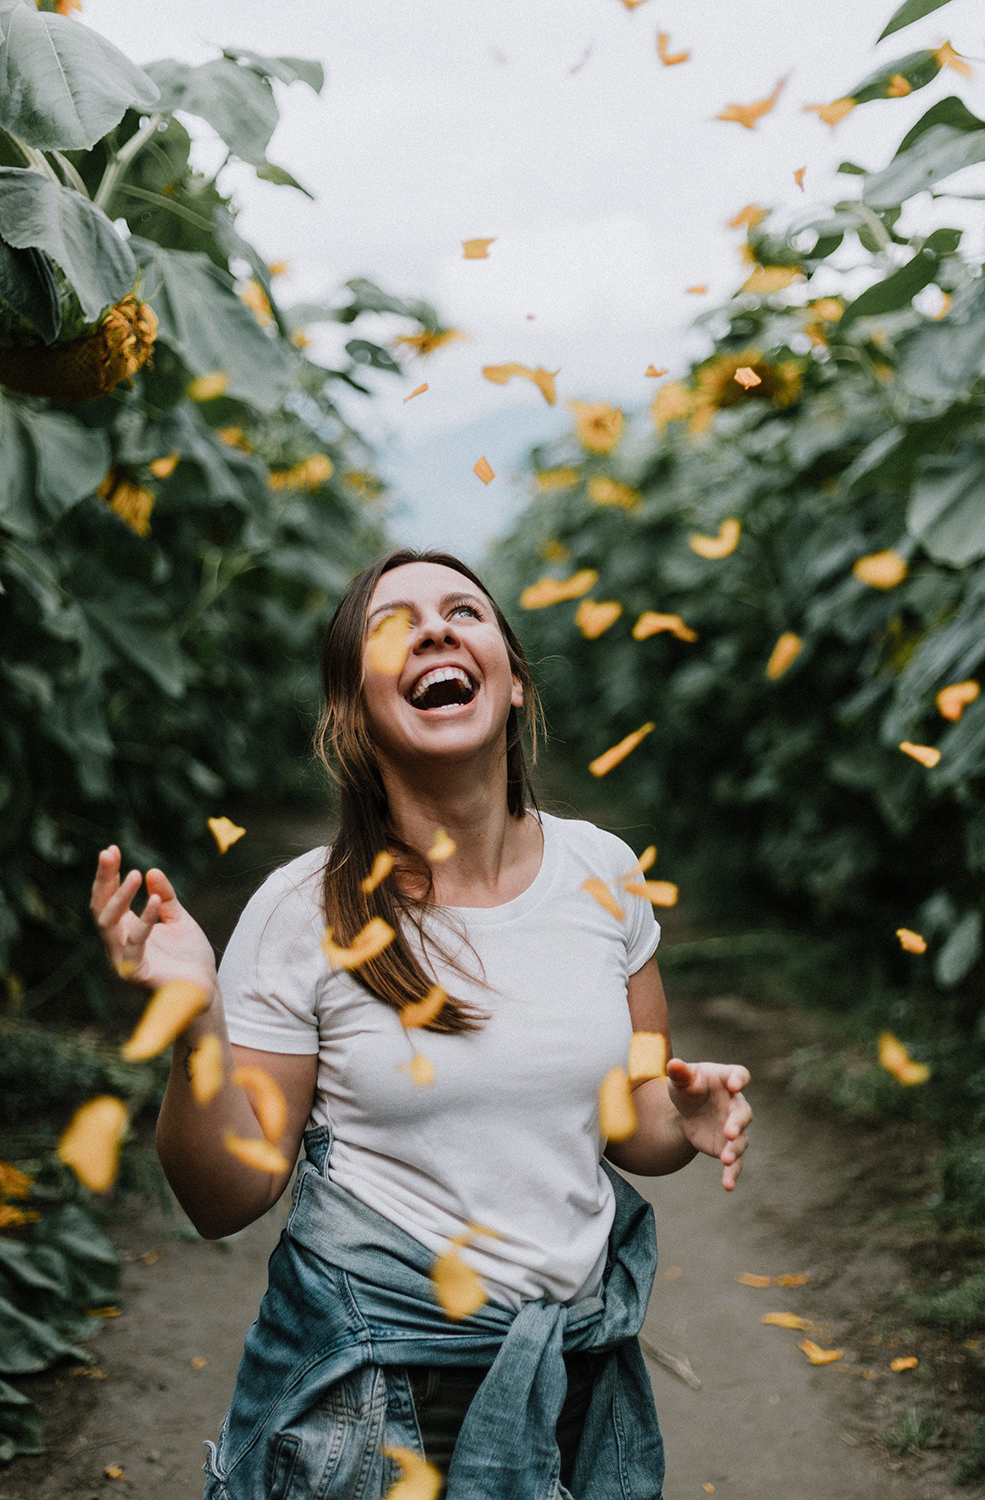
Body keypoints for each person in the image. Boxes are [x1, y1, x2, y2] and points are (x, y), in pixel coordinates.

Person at [91, 548, 752, 1500]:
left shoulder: (604, 871)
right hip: (371, 1400)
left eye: (464, 611)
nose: (437, 628)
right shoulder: (302, 910)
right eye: (394, 624)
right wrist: (196, 1029)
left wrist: (680, 1122)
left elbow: (632, 1120)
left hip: (573, 1377)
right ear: (354, 712)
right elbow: (223, 1198)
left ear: (514, 680)